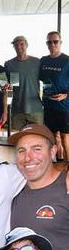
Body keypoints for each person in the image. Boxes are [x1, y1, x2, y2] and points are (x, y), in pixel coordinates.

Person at [10, 124, 69, 250]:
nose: (28, 158)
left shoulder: (66, 188)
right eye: (21, 150)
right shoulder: (12, 188)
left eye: (36, 149)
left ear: (53, 151)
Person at [40, 31, 69, 161]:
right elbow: (36, 78)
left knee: (65, 138)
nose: (52, 44)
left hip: (64, 107)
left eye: (55, 41)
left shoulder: (67, 61)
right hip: (48, 105)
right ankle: (60, 161)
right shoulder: (43, 61)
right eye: (49, 42)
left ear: (60, 42)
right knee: (53, 137)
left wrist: (65, 95)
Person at [5, 36, 43, 131]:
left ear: (26, 45)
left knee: (37, 136)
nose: (19, 47)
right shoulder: (9, 64)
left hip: (35, 108)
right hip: (18, 108)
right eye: (16, 45)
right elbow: (7, 88)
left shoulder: (37, 62)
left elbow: (48, 81)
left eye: (21, 44)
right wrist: (7, 107)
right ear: (13, 47)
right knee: (21, 138)